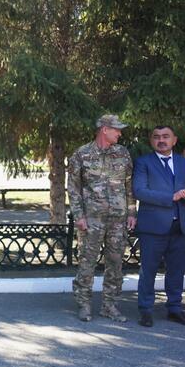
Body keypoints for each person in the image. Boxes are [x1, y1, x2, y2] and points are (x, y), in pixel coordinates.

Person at [67, 114, 137, 322]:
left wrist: (131, 212)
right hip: (92, 220)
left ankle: (110, 306)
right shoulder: (81, 154)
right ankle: (84, 304)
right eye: (117, 129)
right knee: (87, 262)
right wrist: (79, 216)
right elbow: (73, 188)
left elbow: (129, 186)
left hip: (118, 220)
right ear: (105, 129)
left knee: (115, 264)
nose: (120, 133)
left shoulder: (122, 153)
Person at [133, 125, 185, 327]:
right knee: (148, 271)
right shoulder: (143, 162)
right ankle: (146, 310)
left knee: (176, 271)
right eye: (156, 137)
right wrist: (172, 196)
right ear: (151, 140)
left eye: (165, 136)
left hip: (180, 226)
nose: (161, 140)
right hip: (153, 227)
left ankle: (175, 309)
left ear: (174, 140)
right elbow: (139, 191)